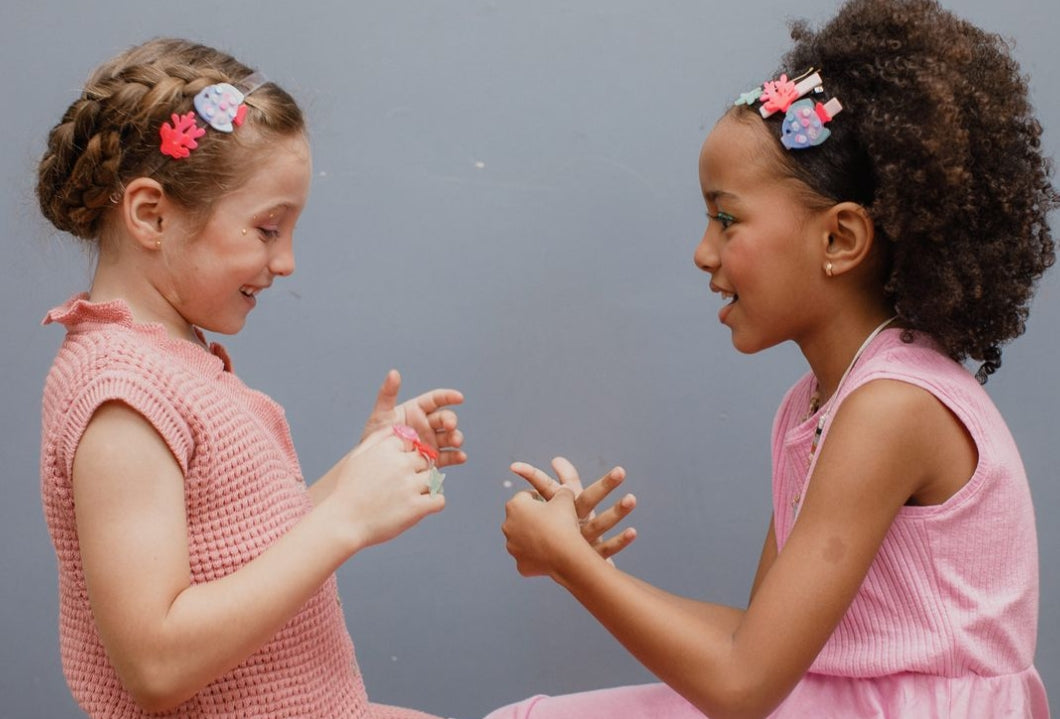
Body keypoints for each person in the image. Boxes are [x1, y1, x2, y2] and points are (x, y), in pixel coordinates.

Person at [493, 0, 1056, 717]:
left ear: (839, 239)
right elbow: (757, 645)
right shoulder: (820, 402)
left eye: (726, 219)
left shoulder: (891, 408)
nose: (703, 252)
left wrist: (572, 565)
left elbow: (742, 685)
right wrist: (583, 563)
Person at [36, 38, 468, 717]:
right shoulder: (120, 394)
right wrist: (347, 519)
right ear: (151, 215)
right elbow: (155, 661)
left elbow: (246, 553)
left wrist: (360, 473)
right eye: (267, 229)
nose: (287, 261)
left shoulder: (176, 365)